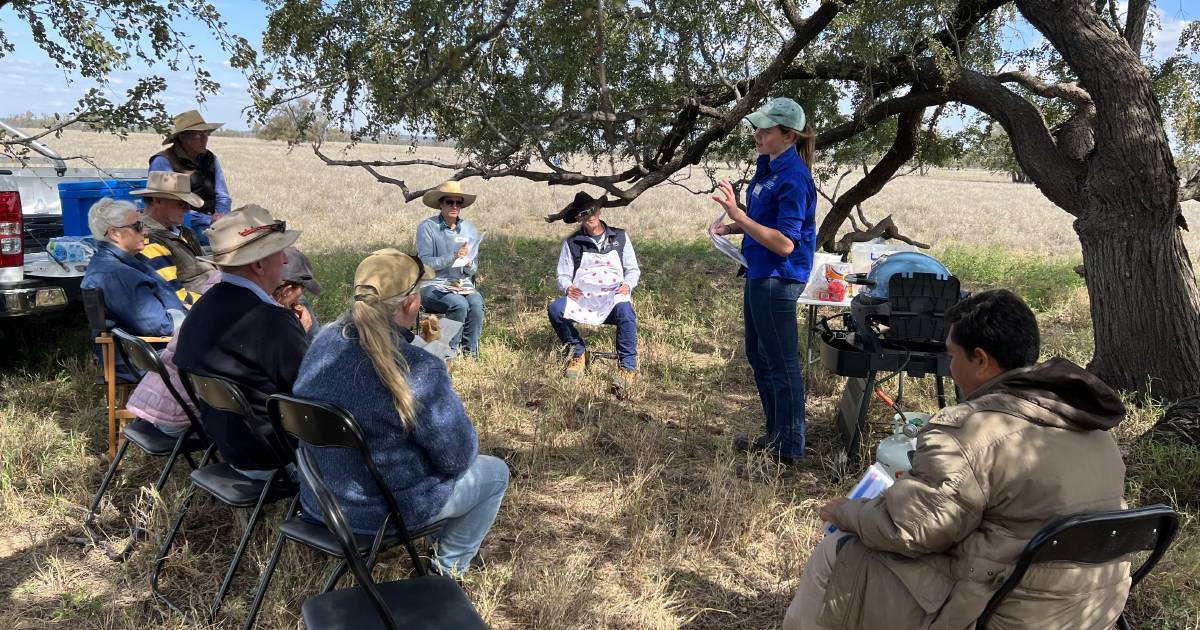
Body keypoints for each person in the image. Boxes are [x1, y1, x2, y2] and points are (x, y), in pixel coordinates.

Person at [783, 289, 1130, 630]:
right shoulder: (1090, 424)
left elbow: (910, 530)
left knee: (838, 549)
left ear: (980, 360)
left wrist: (847, 511)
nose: (949, 367)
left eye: (952, 356)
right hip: (1095, 607)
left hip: (1006, 612)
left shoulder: (969, 430)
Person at [294, 248, 509, 577]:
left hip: (318, 502)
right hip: (379, 514)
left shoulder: (323, 342)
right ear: (412, 303)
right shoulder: (419, 367)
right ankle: (447, 570)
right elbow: (458, 458)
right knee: (494, 473)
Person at [711, 97, 817, 468]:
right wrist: (733, 225)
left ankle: (787, 450)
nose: (757, 135)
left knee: (781, 362)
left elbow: (785, 243)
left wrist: (736, 212)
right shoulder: (767, 165)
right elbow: (763, 221)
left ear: (788, 136)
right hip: (758, 271)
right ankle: (775, 437)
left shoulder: (794, 178)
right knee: (759, 356)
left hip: (778, 278)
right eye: (757, 128)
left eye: (766, 130)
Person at [174, 205, 309, 479]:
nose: (285, 260)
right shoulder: (271, 321)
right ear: (258, 264)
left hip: (234, 449)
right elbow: (314, 392)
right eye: (279, 251)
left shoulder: (204, 305)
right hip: (279, 457)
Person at [81, 197, 186, 381]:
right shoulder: (115, 275)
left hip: (144, 352)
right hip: (142, 360)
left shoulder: (118, 265)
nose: (144, 231)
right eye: (137, 226)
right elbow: (160, 325)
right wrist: (185, 316)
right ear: (115, 234)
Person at [544, 191, 640, 389]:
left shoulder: (620, 237)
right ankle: (578, 353)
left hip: (613, 297)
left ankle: (627, 368)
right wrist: (567, 286)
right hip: (584, 299)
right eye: (585, 213)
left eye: (593, 210)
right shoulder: (572, 243)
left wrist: (627, 285)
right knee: (556, 309)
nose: (591, 216)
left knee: (626, 313)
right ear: (578, 218)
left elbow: (632, 270)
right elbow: (563, 274)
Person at [415, 181, 485, 359]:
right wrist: (453, 256)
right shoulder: (427, 227)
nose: (454, 206)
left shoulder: (469, 228)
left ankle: (471, 353)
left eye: (458, 202)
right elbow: (426, 263)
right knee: (458, 304)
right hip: (433, 285)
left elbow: (474, 267)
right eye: (449, 202)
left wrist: (469, 265)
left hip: (462, 284)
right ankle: (448, 353)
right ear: (441, 203)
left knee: (476, 303)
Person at [131, 170, 217, 306]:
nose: (188, 209)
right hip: (203, 303)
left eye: (188, 204)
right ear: (157, 201)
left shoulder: (184, 231)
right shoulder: (149, 241)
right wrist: (220, 300)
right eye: (181, 204)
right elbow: (173, 295)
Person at [149, 110, 231, 246]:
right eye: (199, 135)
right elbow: (168, 206)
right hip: (185, 223)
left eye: (206, 134)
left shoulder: (210, 159)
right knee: (220, 243)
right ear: (182, 137)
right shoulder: (164, 160)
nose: (204, 139)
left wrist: (221, 215)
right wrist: (208, 220)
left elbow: (223, 196)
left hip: (214, 220)